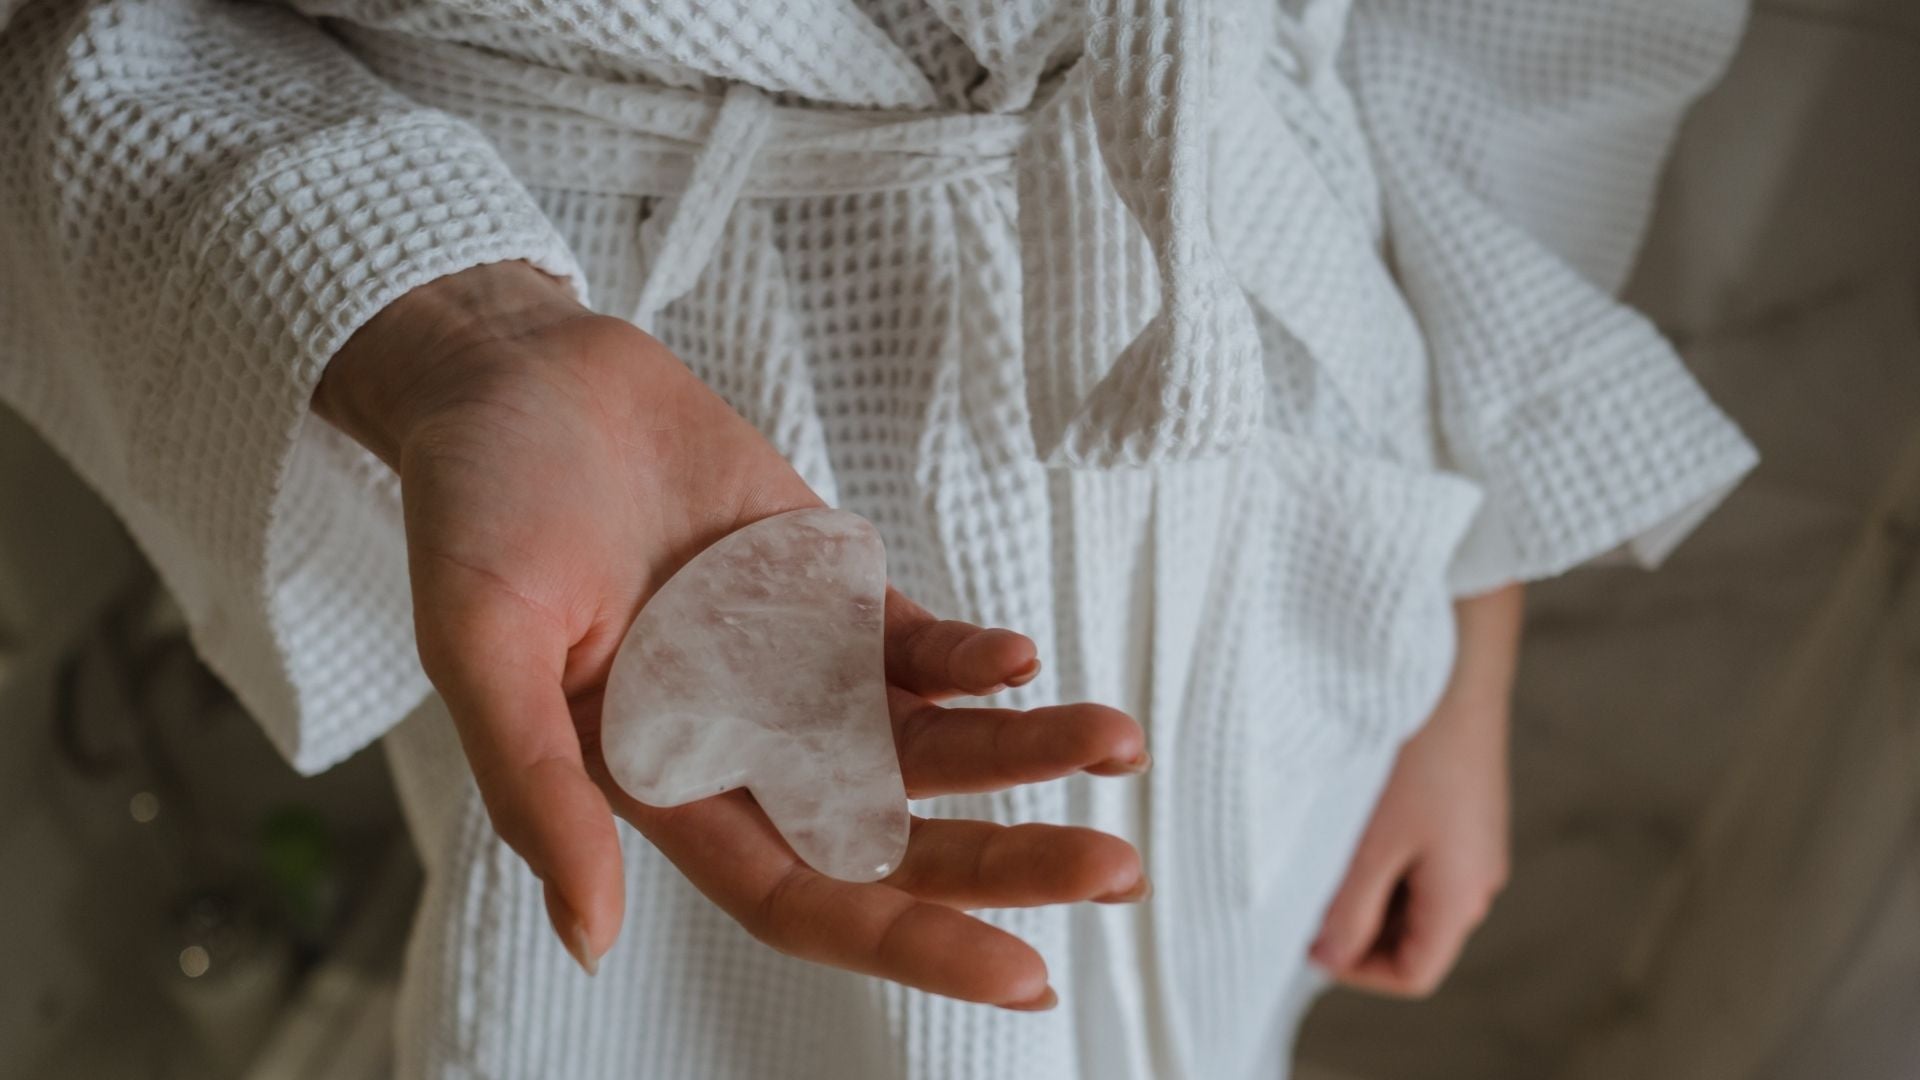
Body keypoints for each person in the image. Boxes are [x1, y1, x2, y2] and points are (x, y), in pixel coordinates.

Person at [0, 0, 1758, 1076]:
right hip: (635, 470)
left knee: (1207, 1001)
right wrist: (457, 329)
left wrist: (1470, 615)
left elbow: (1527, 54)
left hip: (1280, 446)